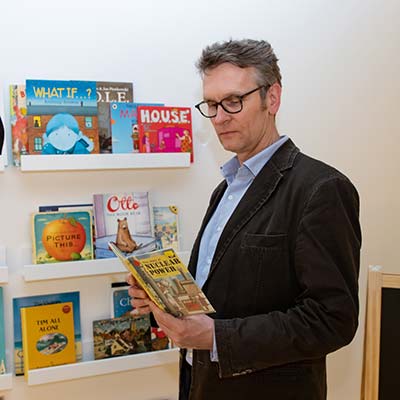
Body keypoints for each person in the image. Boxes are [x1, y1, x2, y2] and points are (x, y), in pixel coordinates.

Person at [127, 39, 361, 400]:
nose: (220, 117)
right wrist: (162, 298)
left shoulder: (321, 189)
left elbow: (332, 320)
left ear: (273, 98)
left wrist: (216, 337)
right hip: (200, 384)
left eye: (234, 101)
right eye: (211, 105)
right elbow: (219, 295)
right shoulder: (224, 191)